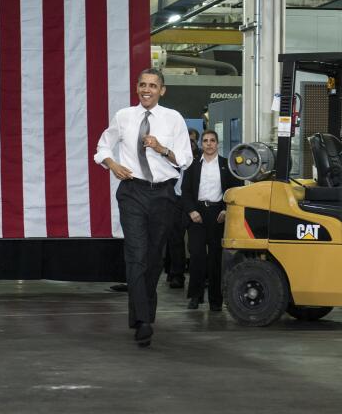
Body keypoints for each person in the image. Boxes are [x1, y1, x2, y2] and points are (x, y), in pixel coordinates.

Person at [94, 69, 193, 347]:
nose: (146, 89)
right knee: (135, 255)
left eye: (152, 85)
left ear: (162, 90)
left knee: (153, 258)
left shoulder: (173, 119)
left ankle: (142, 315)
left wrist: (162, 149)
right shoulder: (124, 116)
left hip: (162, 194)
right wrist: (112, 164)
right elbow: (102, 147)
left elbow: (185, 160)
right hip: (132, 192)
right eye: (142, 85)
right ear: (137, 88)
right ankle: (144, 321)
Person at [181, 129, 241, 311]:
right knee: (197, 257)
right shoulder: (193, 166)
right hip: (197, 215)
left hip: (218, 215)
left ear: (217, 144)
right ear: (202, 144)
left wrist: (225, 210)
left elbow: (235, 191)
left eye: (212, 140)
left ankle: (216, 300)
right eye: (205, 140)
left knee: (216, 259)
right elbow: (185, 192)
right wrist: (191, 211)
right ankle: (195, 297)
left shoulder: (226, 165)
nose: (208, 143)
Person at [164, 128, 202, 289]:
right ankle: (177, 275)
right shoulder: (174, 155)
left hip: (195, 202)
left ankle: (200, 275)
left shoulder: (201, 158)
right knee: (175, 239)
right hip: (176, 200)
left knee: (196, 242)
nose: (190, 142)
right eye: (188, 139)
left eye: (193, 140)